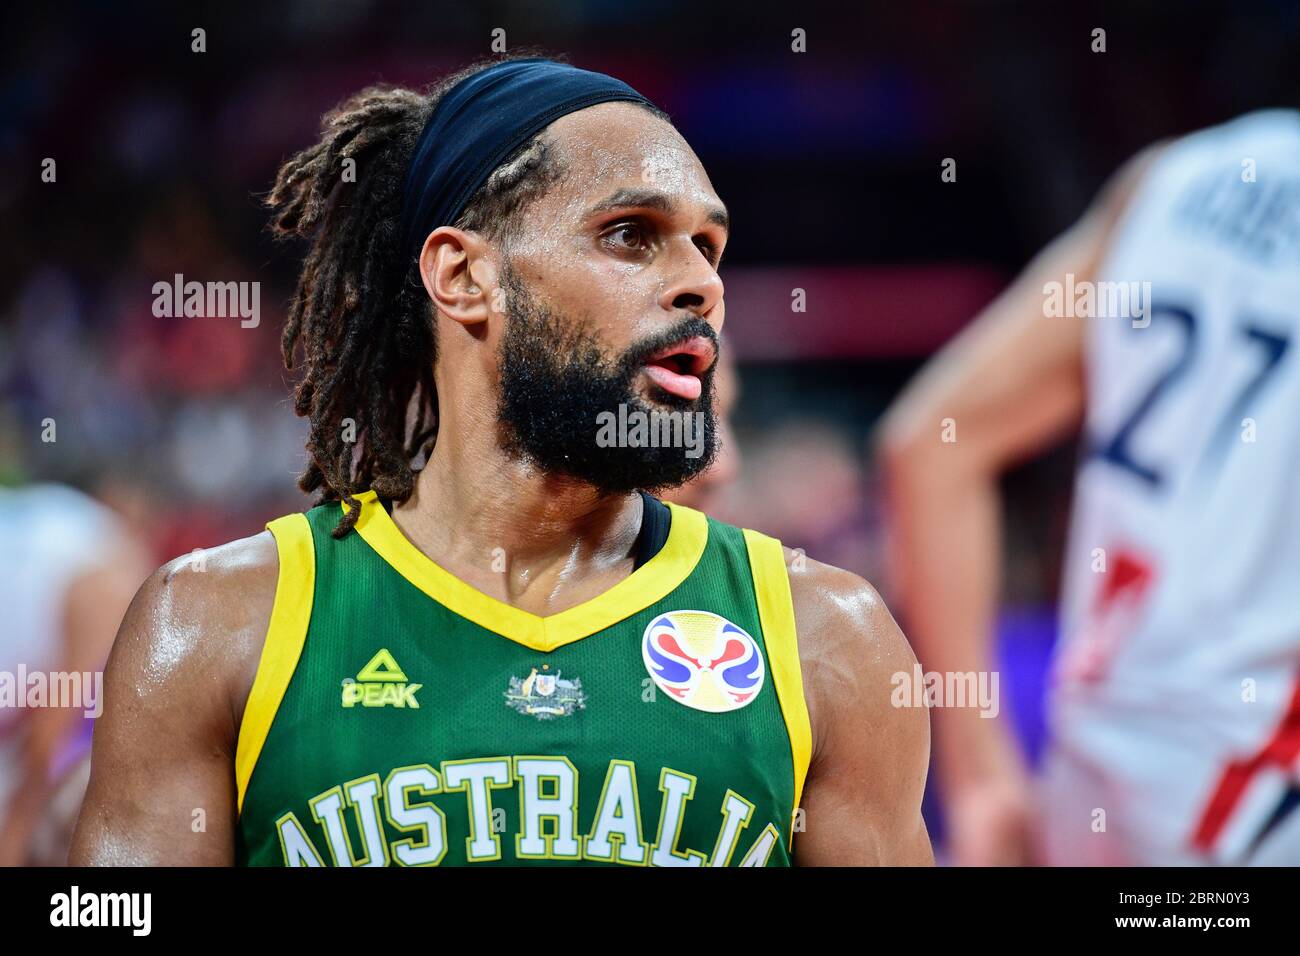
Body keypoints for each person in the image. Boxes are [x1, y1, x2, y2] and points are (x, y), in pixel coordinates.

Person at [71, 56, 932, 866]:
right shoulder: (215, 625)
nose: (700, 283)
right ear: (461, 275)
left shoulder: (829, 636)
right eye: (632, 234)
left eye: (707, 245)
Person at [881, 110, 1300, 865]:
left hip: (1098, 772)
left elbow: (929, 444)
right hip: (1259, 787)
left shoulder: (1177, 178)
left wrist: (980, 782)